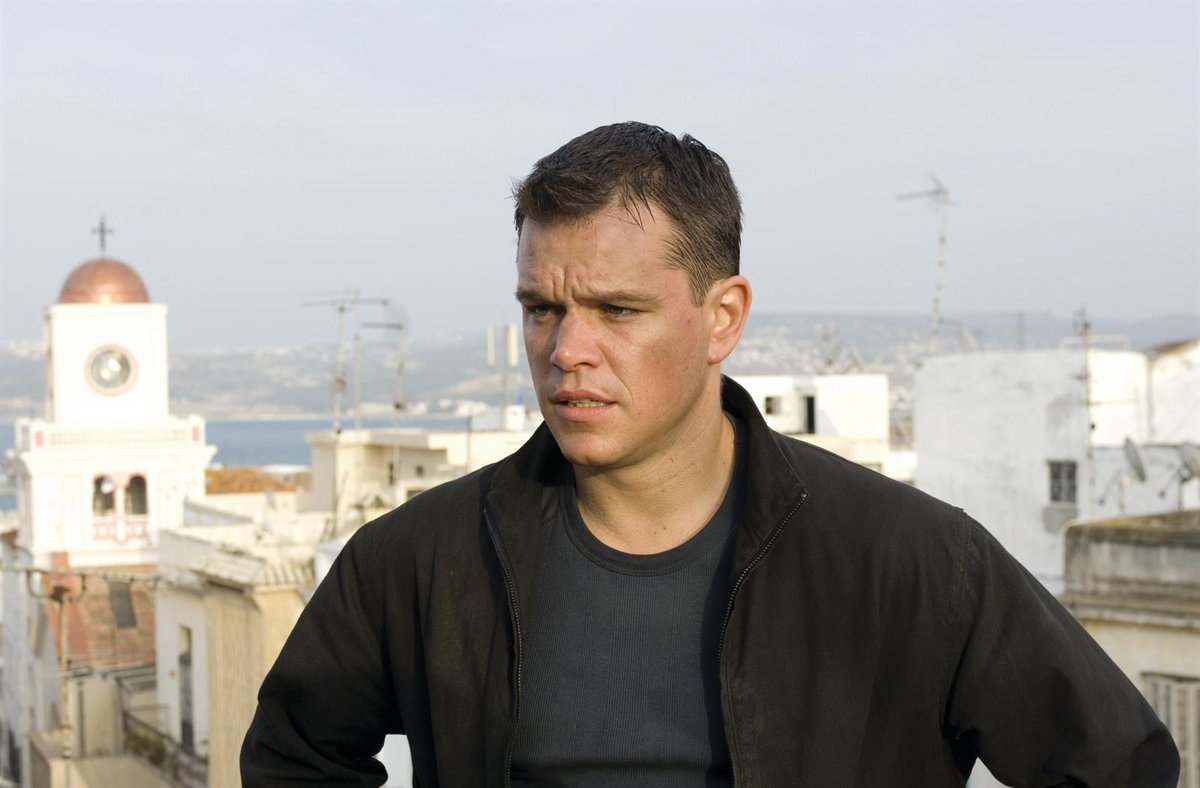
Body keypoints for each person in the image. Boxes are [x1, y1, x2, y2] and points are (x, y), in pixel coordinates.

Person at [241, 122, 1178, 787]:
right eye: (541, 308)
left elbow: (1117, 766)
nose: (567, 350)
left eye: (617, 310)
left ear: (722, 317)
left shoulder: (911, 561)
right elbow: (294, 757)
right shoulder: (417, 561)